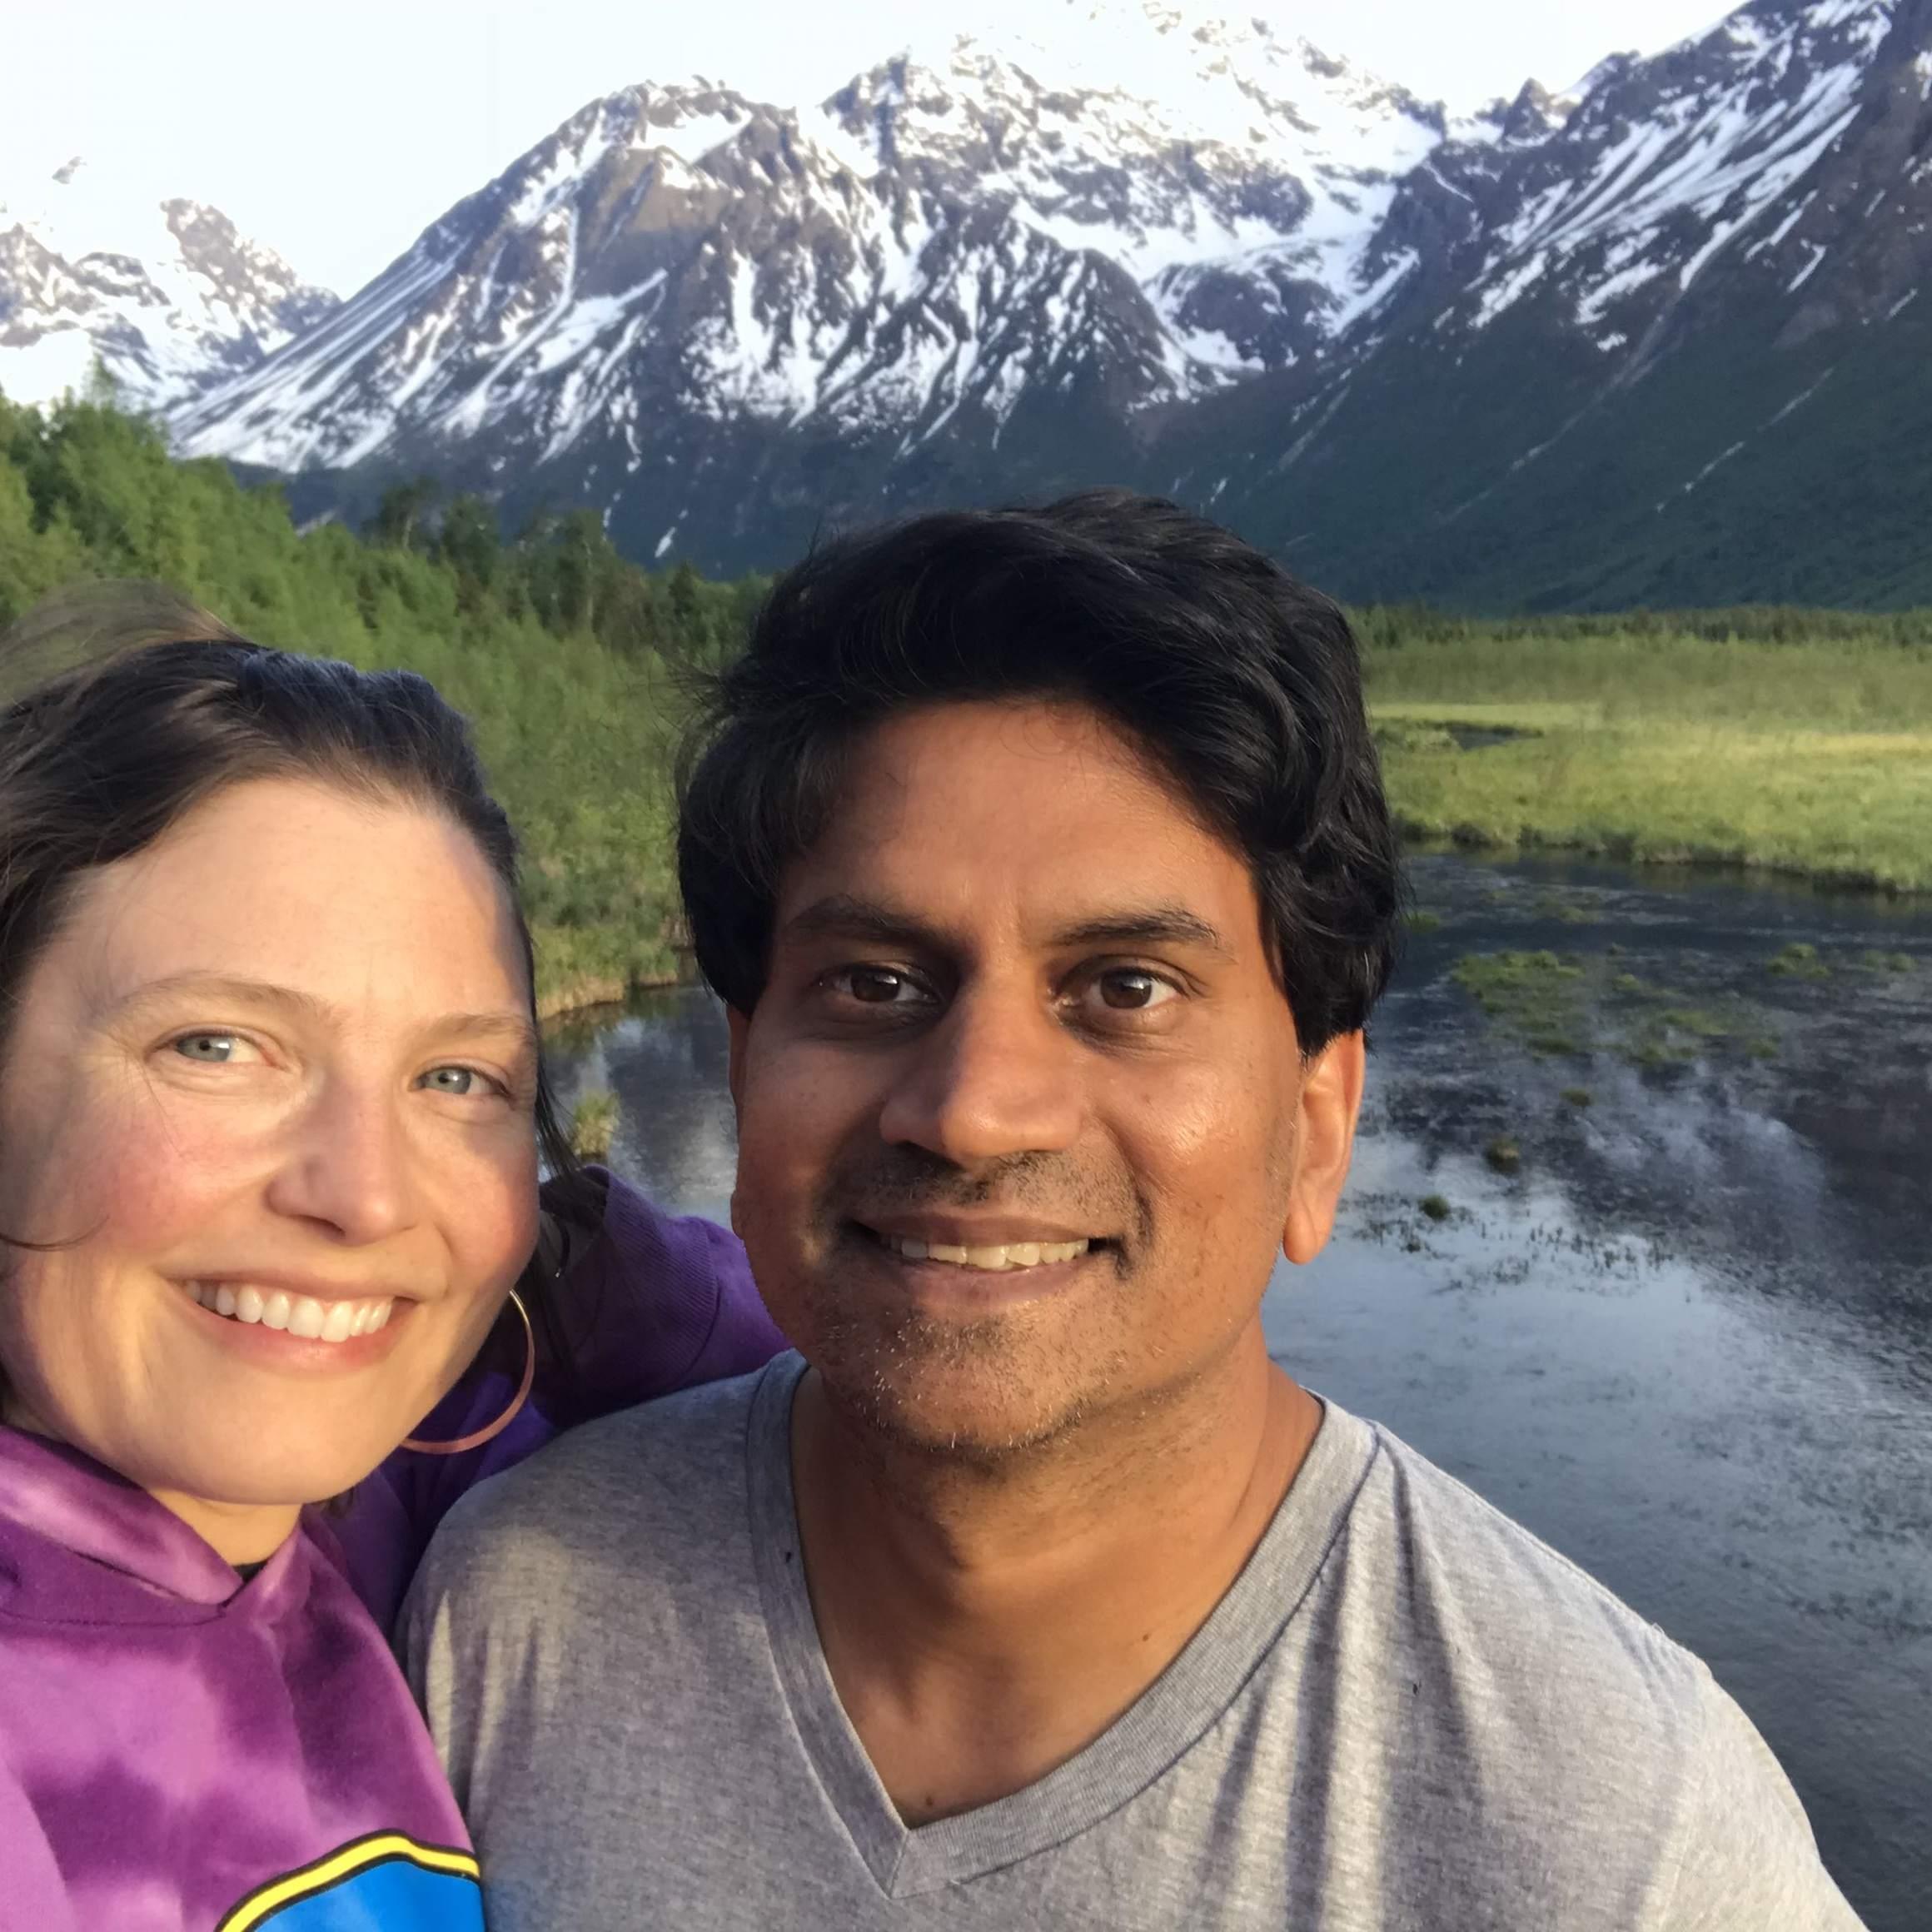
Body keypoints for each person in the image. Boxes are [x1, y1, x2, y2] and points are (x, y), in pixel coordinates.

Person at [405, 494, 1864, 1930]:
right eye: (875, 982)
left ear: (1318, 1126)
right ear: (742, 1069)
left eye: (1127, 988)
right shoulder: (509, 1617)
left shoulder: (1623, 1836)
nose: (975, 1110)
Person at [0, 588, 783, 1932]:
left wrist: (526, 1260)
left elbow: (780, 1346)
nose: (364, 1195)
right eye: (217, 1045)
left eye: (457, 1077)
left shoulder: (385, 1485)